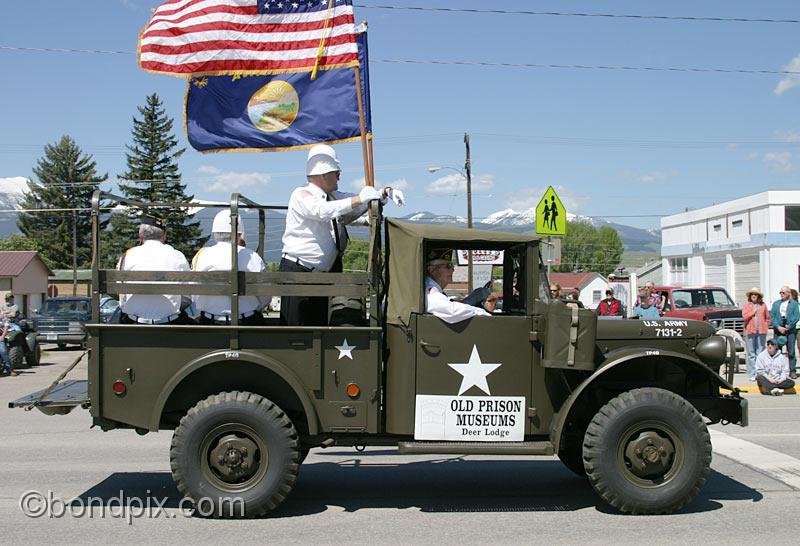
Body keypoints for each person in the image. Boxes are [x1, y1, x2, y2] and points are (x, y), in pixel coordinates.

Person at [280, 144, 405, 326]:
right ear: (324, 174)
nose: (339, 176)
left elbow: (358, 203)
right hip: (299, 272)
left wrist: (385, 193)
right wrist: (361, 199)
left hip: (321, 276)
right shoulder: (301, 194)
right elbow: (323, 211)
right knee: (296, 330)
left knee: (317, 328)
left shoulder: (332, 197)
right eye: (336, 172)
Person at [192, 209, 269, 325]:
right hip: (247, 321)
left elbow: (194, 294)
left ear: (215, 233)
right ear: (239, 233)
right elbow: (265, 296)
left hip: (209, 322)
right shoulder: (253, 257)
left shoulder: (201, 255)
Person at [117, 215, 192, 325]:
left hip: (134, 322)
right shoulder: (177, 256)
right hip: (170, 322)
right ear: (164, 235)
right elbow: (187, 295)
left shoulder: (127, 256)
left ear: (140, 234)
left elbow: (119, 290)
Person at [425, 249, 495, 324]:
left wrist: (474, 298)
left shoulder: (434, 288)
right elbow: (451, 311)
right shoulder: (430, 289)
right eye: (448, 266)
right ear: (432, 269)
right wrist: (481, 312)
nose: (452, 270)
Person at [770, 285, 799, 379]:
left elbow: (796, 317)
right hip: (778, 330)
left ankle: (792, 371)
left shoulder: (794, 304)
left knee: (791, 351)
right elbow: (773, 316)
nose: (781, 294)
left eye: (783, 292)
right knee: (776, 350)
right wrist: (778, 327)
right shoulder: (776, 304)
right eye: (780, 292)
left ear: (788, 293)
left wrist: (789, 326)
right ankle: (776, 370)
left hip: (790, 331)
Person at [742, 287, 770, 381]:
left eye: (756, 294)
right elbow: (744, 316)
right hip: (750, 331)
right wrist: (753, 312)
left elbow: (767, 317)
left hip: (761, 331)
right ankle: (752, 373)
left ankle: (759, 373)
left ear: (758, 296)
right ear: (750, 296)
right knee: (751, 354)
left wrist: (766, 325)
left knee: (760, 353)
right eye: (752, 294)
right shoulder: (747, 305)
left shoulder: (763, 305)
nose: (754, 295)